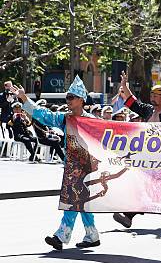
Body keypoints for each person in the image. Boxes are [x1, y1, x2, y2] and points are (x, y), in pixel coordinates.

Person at [8, 77, 101, 250]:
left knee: (72, 198)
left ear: (81, 100)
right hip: (71, 165)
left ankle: (62, 235)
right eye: (67, 97)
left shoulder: (93, 121)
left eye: (72, 97)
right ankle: (92, 234)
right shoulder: (65, 118)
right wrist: (25, 99)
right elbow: (44, 115)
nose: (68, 100)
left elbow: (109, 137)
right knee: (80, 201)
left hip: (86, 167)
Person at [112, 70, 161, 229]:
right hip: (147, 155)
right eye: (151, 95)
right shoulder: (147, 110)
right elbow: (132, 102)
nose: (152, 98)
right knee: (141, 184)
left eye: (155, 96)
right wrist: (124, 85)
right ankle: (129, 216)